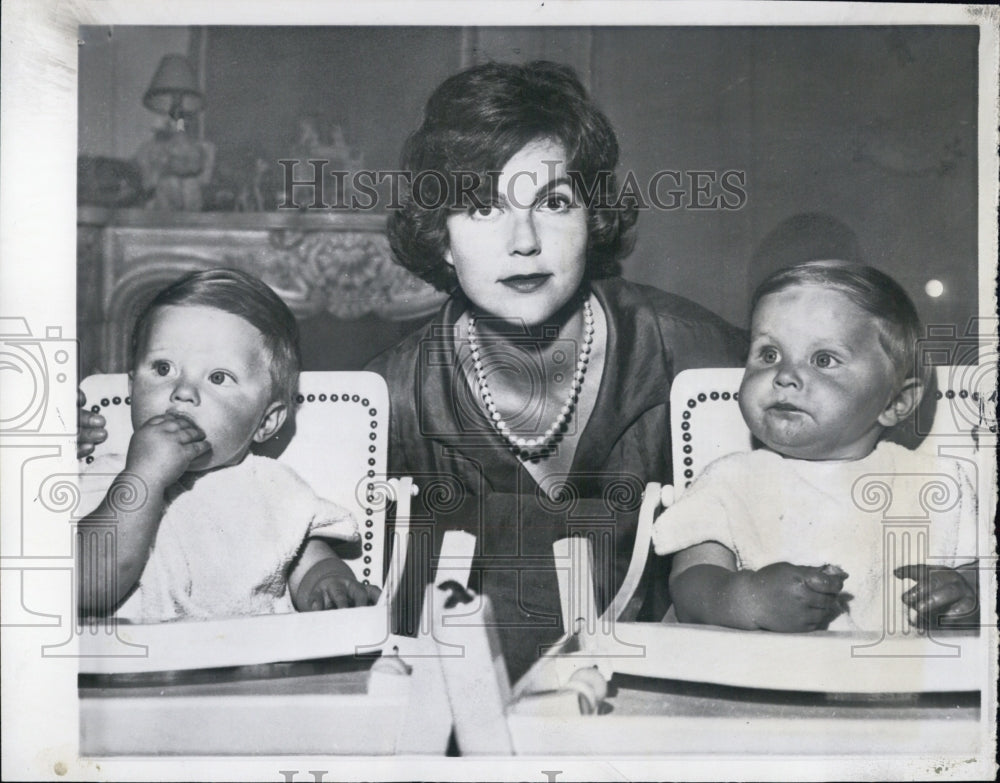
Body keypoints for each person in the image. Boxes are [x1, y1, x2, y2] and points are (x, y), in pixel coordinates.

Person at [362, 60, 748, 679]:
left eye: (554, 202)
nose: (524, 241)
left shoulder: (700, 357)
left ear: (591, 221)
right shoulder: (387, 401)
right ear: (440, 237)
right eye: (483, 208)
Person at [652, 261, 979, 632]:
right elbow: (690, 584)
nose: (785, 376)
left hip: (899, 681)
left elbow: (979, 580)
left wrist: (968, 597)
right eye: (768, 354)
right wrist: (748, 598)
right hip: (763, 680)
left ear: (895, 403)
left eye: (823, 360)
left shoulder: (934, 483)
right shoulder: (730, 480)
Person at [77, 269, 380, 622]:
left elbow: (311, 560)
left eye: (218, 377)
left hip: (252, 669)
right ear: (131, 389)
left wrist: (329, 585)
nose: (183, 392)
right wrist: (143, 477)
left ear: (266, 421)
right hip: (137, 668)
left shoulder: (274, 488)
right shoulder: (108, 476)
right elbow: (88, 587)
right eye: (163, 368)